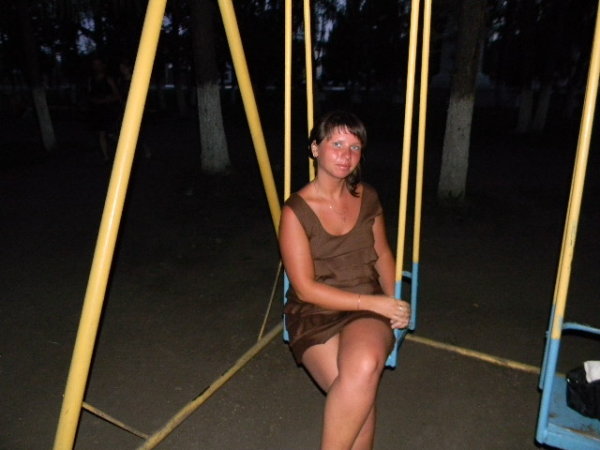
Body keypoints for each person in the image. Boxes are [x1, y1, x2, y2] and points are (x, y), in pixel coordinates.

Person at [279, 110, 411, 450]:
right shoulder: (295, 212)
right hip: (314, 311)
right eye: (336, 144)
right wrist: (375, 302)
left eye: (354, 147)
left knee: (362, 369)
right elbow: (305, 287)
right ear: (315, 149)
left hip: (367, 307)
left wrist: (393, 302)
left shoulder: (367, 197)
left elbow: (382, 254)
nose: (346, 155)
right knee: (357, 397)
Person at [88, 57, 121, 161]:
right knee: (101, 133)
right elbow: (90, 94)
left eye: (98, 64)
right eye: (94, 65)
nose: (96, 67)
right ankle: (106, 156)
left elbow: (117, 95)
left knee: (111, 133)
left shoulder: (108, 79)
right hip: (97, 110)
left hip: (109, 109)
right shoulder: (91, 80)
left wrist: (105, 100)